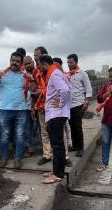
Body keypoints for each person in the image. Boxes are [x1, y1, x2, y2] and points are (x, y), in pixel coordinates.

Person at [0, 51, 29, 169]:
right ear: (10, 60)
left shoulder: (25, 75)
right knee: (5, 135)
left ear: (21, 63)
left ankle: (18, 158)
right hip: (5, 109)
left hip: (21, 110)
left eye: (17, 61)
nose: (14, 63)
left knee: (20, 135)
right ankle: (3, 157)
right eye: (13, 60)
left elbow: (34, 89)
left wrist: (32, 79)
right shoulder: (2, 73)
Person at [39, 55, 71, 184]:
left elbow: (66, 90)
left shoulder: (54, 74)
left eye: (40, 66)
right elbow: (67, 89)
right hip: (56, 114)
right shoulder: (57, 72)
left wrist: (61, 103)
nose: (40, 69)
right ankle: (56, 170)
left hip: (56, 114)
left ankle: (58, 174)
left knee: (57, 146)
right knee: (56, 145)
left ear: (44, 64)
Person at [67, 53, 92, 157]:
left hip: (79, 103)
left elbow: (89, 89)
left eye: (71, 62)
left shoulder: (82, 74)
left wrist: (86, 103)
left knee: (77, 126)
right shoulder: (67, 74)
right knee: (71, 126)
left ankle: (80, 148)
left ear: (76, 62)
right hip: (69, 105)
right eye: (68, 62)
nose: (69, 64)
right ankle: (75, 145)